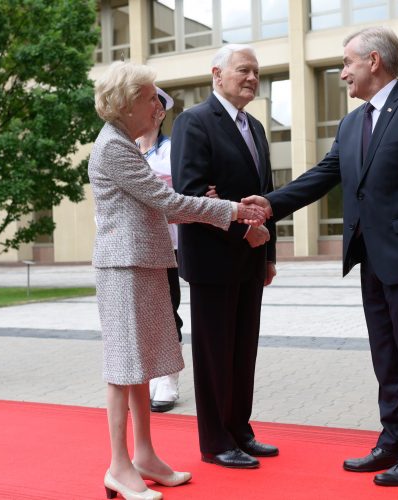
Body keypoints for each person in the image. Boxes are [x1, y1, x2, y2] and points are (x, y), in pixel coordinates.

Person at [243, 26, 398, 487]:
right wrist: (272, 202)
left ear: (374, 62)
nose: (342, 73)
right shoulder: (351, 123)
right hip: (368, 256)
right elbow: (324, 174)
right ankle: (393, 440)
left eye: (347, 63)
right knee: (387, 356)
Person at [88, 60, 266, 500]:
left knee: (142, 367)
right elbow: (165, 202)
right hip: (124, 268)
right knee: (123, 370)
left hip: (144, 264)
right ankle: (118, 465)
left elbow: (161, 202)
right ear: (127, 103)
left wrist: (207, 205)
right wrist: (231, 210)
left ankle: (144, 455)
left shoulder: (125, 143)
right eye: (151, 99)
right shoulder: (112, 146)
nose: (159, 107)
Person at [170, 44, 278, 469]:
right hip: (214, 260)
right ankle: (215, 442)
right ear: (217, 73)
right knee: (215, 353)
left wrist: (267, 252)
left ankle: (240, 431)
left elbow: (265, 196)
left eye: (256, 71)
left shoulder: (255, 126)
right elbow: (191, 194)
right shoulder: (193, 122)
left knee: (243, 350)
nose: (252, 77)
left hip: (252, 259)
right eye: (243, 70)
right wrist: (243, 228)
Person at [137, 87, 183, 414]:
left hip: (169, 243)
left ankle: (168, 379)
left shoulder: (172, 151)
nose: (149, 109)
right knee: (141, 312)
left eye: (155, 103)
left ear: (162, 112)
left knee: (167, 308)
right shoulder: (125, 151)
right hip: (135, 246)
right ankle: (148, 374)